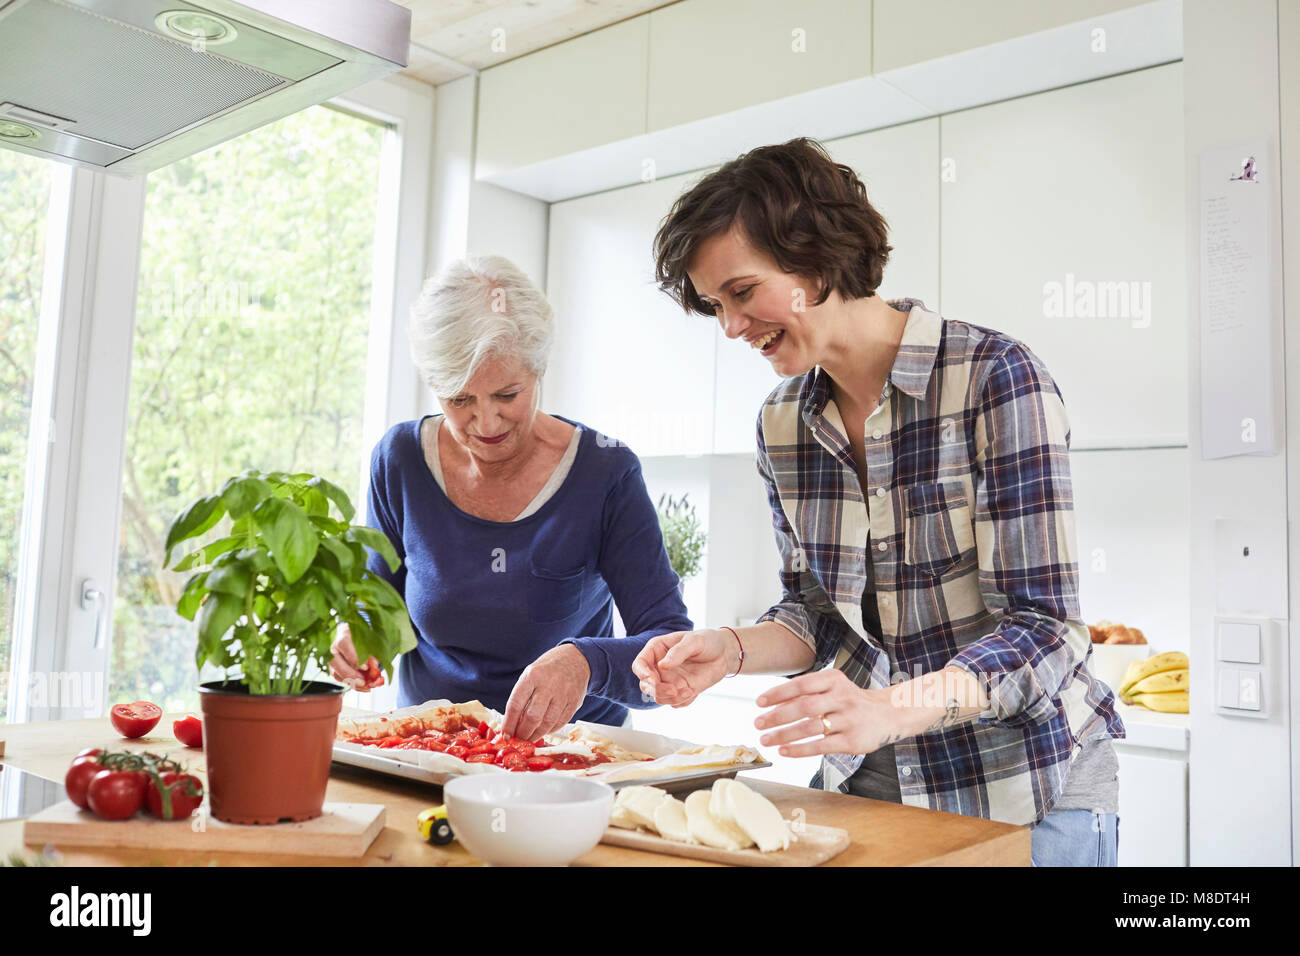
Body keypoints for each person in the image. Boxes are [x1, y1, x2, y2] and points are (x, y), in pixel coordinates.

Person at [634, 137, 1124, 866]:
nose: (731, 327)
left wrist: (890, 709)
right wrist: (730, 652)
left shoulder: (993, 379)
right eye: (715, 306)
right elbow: (814, 611)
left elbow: (1046, 628)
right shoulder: (781, 423)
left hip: (1023, 792)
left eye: (741, 292)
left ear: (818, 257)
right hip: (866, 790)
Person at [331, 255, 691, 741]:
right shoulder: (399, 460)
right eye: (459, 399)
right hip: (429, 747)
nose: (486, 423)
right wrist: (360, 639)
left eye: (507, 395)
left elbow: (671, 650)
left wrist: (587, 662)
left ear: (538, 370)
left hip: (573, 756)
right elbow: (377, 602)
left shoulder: (606, 472)